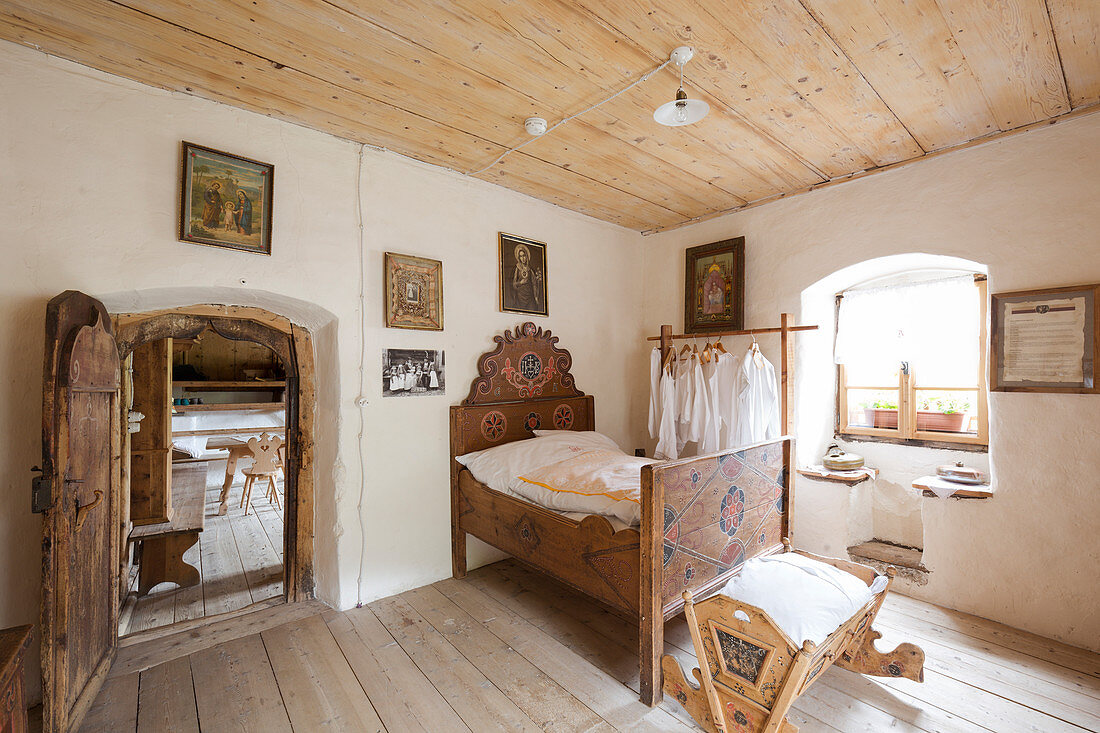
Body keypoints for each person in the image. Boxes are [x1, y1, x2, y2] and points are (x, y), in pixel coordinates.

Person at [511, 243, 542, 311]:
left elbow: (534, 284)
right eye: (521, 256)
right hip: (520, 297)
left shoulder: (530, 269)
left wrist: (536, 297)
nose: (523, 258)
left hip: (530, 296)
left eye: (524, 255)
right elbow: (513, 285)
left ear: (527, 256)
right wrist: (520, 283)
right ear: (519, 257)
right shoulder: (517, 268)